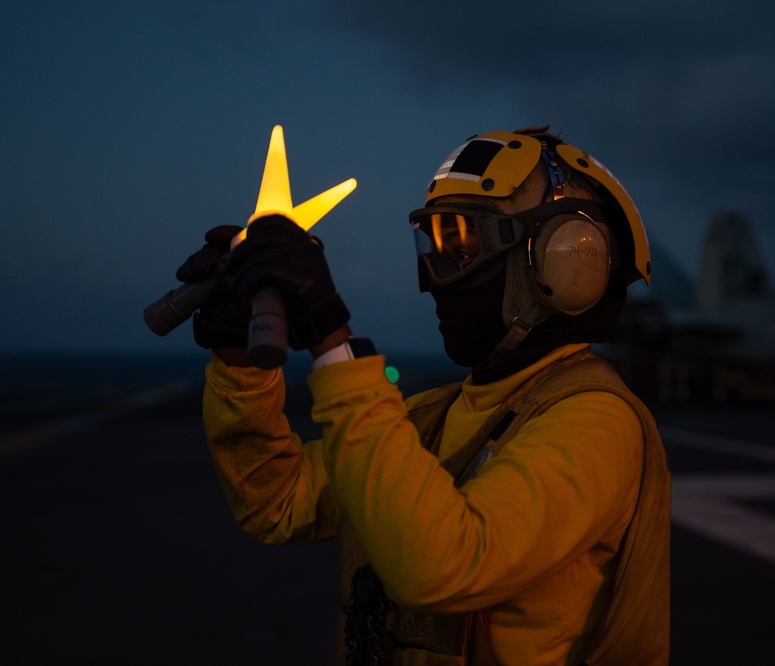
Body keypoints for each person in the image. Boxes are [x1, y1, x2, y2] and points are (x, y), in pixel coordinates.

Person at [178, 125, 670, 665]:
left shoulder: (597, 422)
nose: (435, 277)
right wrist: (238, 357)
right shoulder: (429, 417)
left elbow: (444, 567)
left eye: (462, 246)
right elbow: (276, 502)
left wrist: (329, 337)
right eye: (433, 243)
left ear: (565, 262)